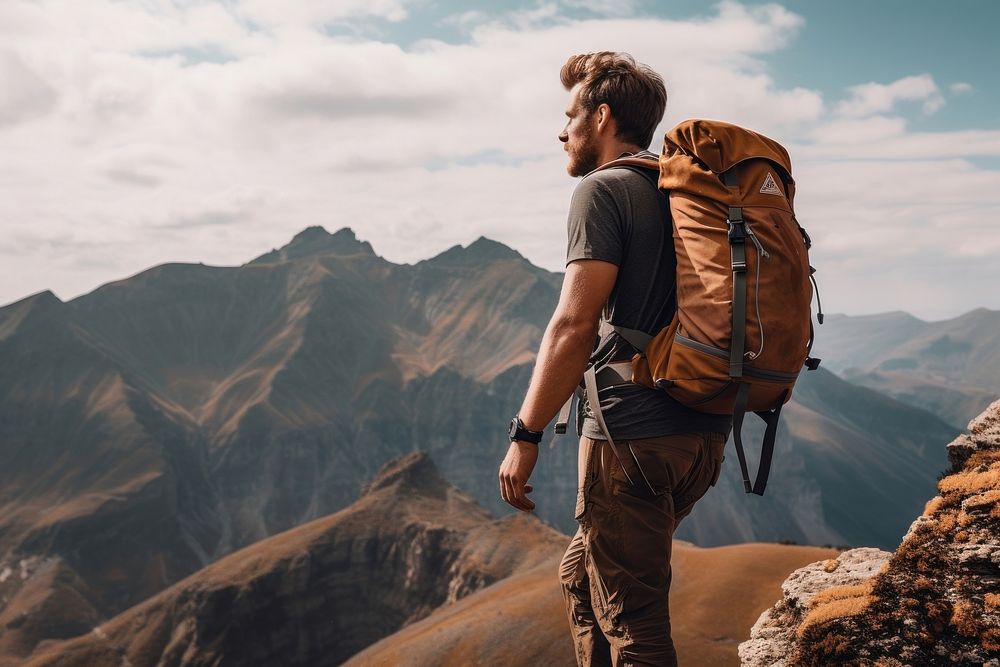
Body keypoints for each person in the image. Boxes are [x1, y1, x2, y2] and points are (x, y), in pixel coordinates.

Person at [497, 51, 733, 666]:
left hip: (632, 439)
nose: (561, 129)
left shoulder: (602, 191)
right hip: (703, 438)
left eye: (570, 114)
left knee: (637, 627)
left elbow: (573, 326)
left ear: (601, 117)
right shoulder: (682, 190)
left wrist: (526, 434)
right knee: (582, 577)